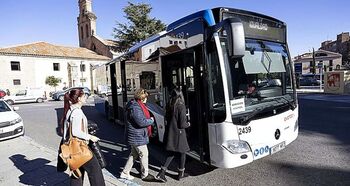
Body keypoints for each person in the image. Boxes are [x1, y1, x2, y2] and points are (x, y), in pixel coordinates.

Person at [61, 88, 105, 186]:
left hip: (73, 148)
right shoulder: (77, 112)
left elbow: (67, 130)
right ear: (79, 98)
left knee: (77, 173)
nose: (86, 97)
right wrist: (90, 137)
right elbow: (75, 131)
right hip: (80, 147)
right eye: (84, 96)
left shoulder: (70, 110)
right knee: (95, 171)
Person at [155, 88, 190, 183]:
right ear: (180, 95)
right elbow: (182, 124)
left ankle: (162, 173)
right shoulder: (181, 106)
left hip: (171, 132)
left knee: (172, 153)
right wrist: (189, 124)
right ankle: (180, 174)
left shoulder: (170, 105)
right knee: (183, 152)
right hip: (179, 133)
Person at [120, 88, 155, 181]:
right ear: (142, 98)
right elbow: (141, 122)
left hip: (135, 135)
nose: (146, 100)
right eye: (146, 98)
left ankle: (124, 172)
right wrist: (151, 120)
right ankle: (145, 174)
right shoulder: (135, 107)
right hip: (137, 135)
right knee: (144, 153)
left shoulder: (134, 104)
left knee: (134, 154)